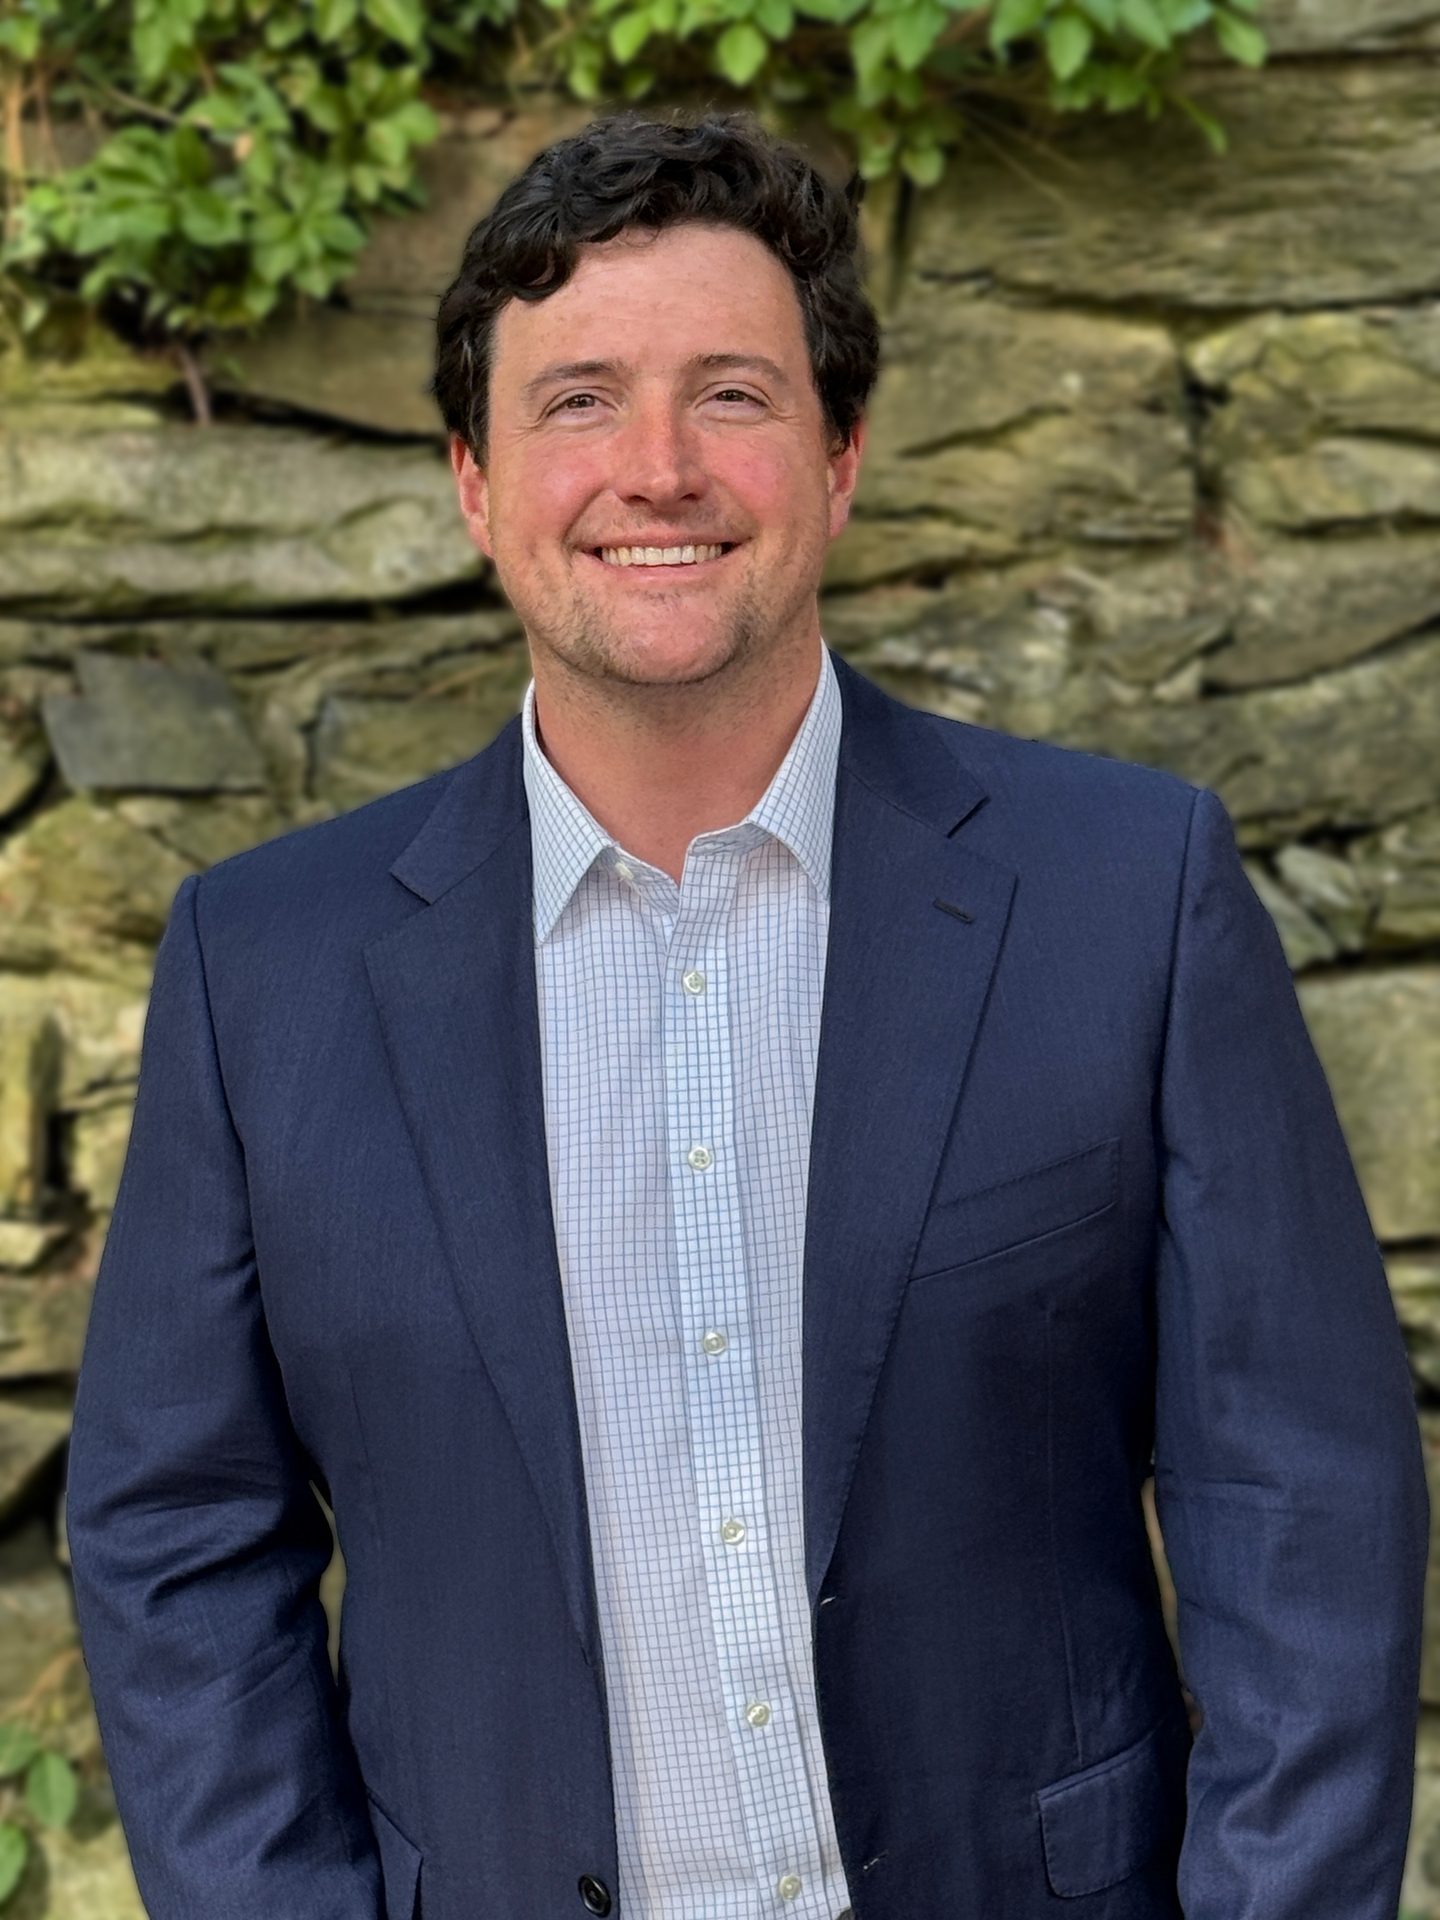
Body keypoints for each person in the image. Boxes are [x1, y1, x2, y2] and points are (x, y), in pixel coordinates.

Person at [63, 106, 1428, 1920]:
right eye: (575, 401)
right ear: (473, 481)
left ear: (842, 457)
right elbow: (172, 1537)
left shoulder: (1128, 897)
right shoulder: (265, 971)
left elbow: (1303, 1500)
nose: (657, 468)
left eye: (732, 393)